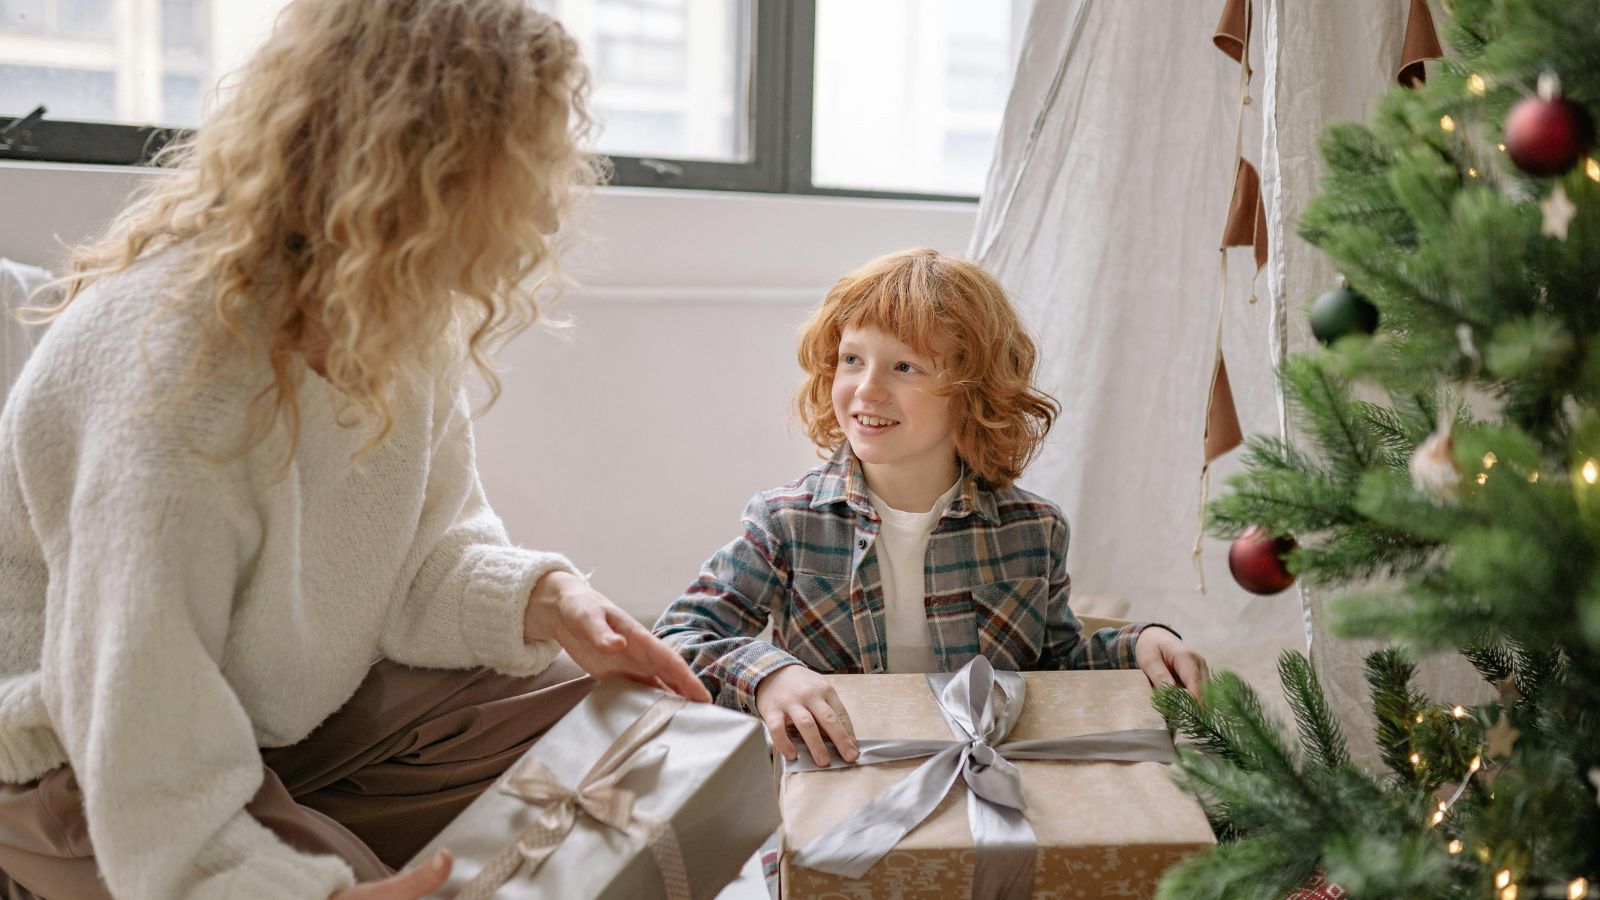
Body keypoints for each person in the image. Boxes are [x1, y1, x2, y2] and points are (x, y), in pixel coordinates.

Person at [0, 2, 708, 899]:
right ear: (428, 159)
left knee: (635, 746)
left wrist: (546, 599)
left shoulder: (400, 310)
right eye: (527, 165)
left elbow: (420, 557)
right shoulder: (173, 370)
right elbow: (137, 706)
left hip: (275, 715)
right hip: (81, 750)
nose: (542, 205)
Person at [653, 248, 1209, 768]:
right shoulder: (787, 522)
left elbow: (1053, 662)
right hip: (839, 789)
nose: (867, 390)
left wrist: (1140, 645)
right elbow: (676, 639)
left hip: (987, 788)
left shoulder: (1033, 530)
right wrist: (769, 674)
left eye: (905, 367)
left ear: (973, 389)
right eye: (852, 359)